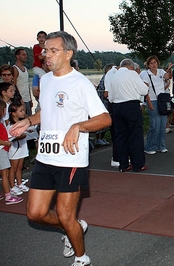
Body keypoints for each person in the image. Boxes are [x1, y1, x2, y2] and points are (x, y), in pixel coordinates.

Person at [9, 31, 111, 266]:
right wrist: (29, 121)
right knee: (35, 213)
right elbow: (47, 112)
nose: (46, 55)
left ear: (68, 53)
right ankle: (74, 227)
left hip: (71, 159)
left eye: (53, 50)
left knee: (66, 214)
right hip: (46, 157)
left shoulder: (80, 83)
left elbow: (105, 119)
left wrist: (78, 125)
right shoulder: (45, 80)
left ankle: (82, 259)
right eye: (46, 50)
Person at [108, 59, 149, 172]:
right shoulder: (133, 74)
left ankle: (123, 164)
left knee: (121, 136)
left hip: (116, 107)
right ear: (130, 67)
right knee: (135, 136)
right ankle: (138, 164)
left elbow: (110, 97)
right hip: (131, 106)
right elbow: (144, 90)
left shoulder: (113, 76)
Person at [140, 56, 173, 155]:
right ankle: (150, 146)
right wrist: (148, 102)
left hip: (162, 100)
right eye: (151, 63)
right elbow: (145, 90)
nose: (154, 65)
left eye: (155, 62)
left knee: (163, 124)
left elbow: (168, 77)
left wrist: (169, 69)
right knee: (155, 124)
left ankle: (161, 145)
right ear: (148, 65)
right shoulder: (146, 74)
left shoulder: (161, 72)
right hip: (153, 100)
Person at [0, 98, 22, 204]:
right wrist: (6, 143)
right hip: (2, 149)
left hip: (3, 148)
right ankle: (8, 196)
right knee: (5, 173)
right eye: (4, 108)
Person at [7, 102, 30, 195]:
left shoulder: (21, 123)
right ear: (13, 113)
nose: (23, 112)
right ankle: (12, 186)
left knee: (20, 167)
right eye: (21, 111)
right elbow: (11, 137)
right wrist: (22, 135)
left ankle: (19, 183)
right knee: (14, 168)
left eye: (23, 110)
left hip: (22, 146)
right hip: (15, 148)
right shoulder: (10, 125)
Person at [13, 48, 33, 116]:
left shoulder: (25, 69)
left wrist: (30, 98)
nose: (26, 56)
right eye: (23, 55)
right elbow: (14, 85)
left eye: (26, 55)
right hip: (20, 100)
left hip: (27, 99)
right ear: (17, 56)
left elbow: (27, 85)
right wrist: (19, 99)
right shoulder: (15, 69)